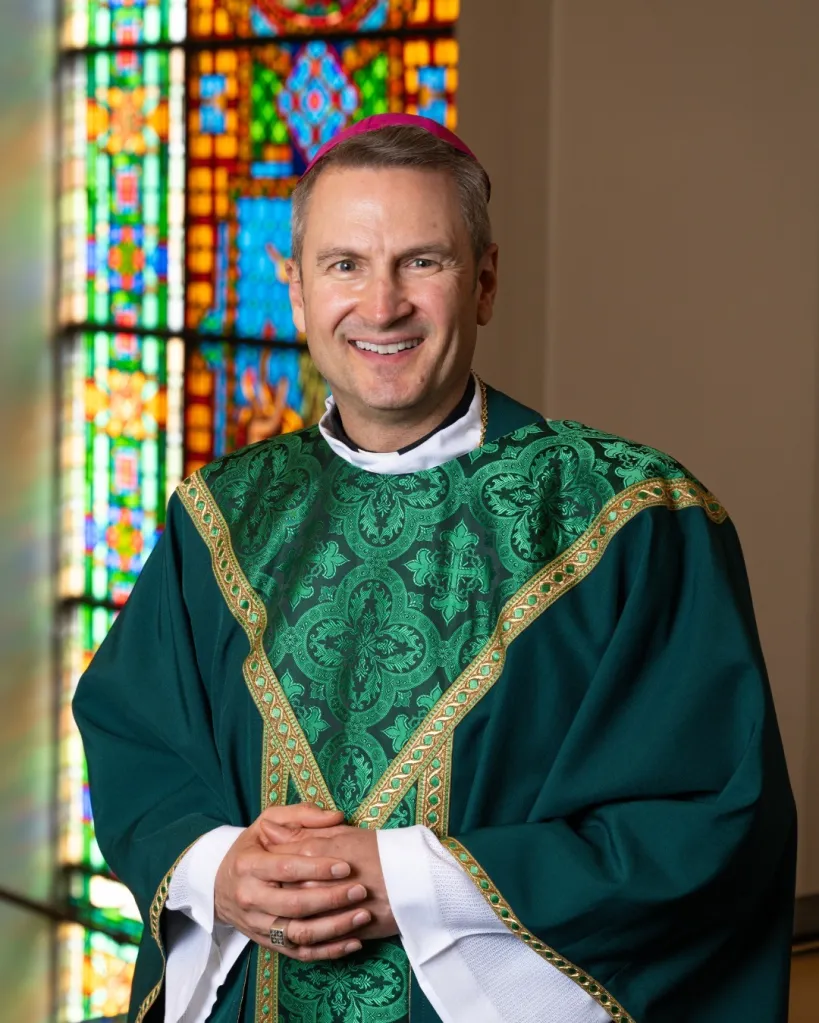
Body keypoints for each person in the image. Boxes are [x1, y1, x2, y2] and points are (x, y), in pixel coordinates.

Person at [73, 113, 796, 1023]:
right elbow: (139, 742)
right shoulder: (218, 513)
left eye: (423, 261)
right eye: (344, 265)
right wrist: (217, 868)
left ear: (484, 281)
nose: (381, 307)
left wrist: (415, 881)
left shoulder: (634, 521)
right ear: (294, 289)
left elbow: (706, 823)